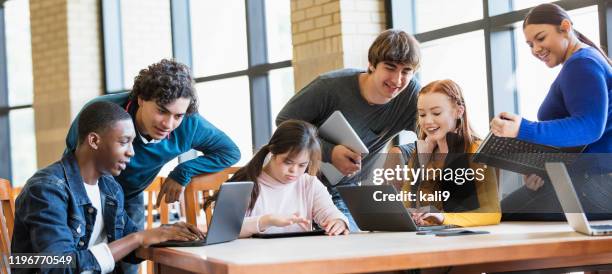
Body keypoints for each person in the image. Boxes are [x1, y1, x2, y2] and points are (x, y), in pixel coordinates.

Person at [65, 59, 239, 273]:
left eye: (178, 116)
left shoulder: (189, 124)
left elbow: (230, 152)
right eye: (161, 111)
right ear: (141, 99)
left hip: (127, 197)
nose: (168, 125)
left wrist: (182, 172)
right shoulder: (102, 114)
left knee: (129, 264)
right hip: (83, 194)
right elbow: (51, 263)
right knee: (81, 260)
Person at [12, 101, 204, 274]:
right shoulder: (46, 189)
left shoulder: (109, 188)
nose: (131, 152)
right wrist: (138, 238)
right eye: (123, 142)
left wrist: (167, 233)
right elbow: (58, 267)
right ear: (94, 140)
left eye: (132, 142)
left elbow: (130, 244)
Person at [276, 29, 422, 231]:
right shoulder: (329, 87)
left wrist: (400, 151)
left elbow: (434, 137)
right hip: (299, 183)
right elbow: (284, 122)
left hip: (347, 190)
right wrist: (329, 152)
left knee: (360, 238)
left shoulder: (411, 95)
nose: (397, 80)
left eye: (406, 71)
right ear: (371, 64)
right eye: (390, 68)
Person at [489, 3, 612, 220]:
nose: (536, 49)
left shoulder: (581, 64)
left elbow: (589, 127)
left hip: (595, 183)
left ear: (565, 27)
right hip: (593, 181)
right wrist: (539, 166)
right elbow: (576, 138)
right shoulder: (585, 61)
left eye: (541, 38)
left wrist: (522, 129)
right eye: (530, 44)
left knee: (496, 216)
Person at [207, 120, 349, 237]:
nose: (294, 171)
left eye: (302, 165)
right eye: (288, 162)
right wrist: (266, 221)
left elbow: (329, 212)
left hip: (299, 260)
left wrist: (338, 221)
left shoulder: (309, 184)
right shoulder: (246, 183)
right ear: (272, 153)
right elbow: (223, 229)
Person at [390, 80, 500, 227]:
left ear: (459, 112)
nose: (428, 121)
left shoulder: (477, 150)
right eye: (422, 114)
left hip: (466, 240)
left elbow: (493, 212)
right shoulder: (421, 151)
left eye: (436, 113)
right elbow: (407, 205)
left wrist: (443, 218)